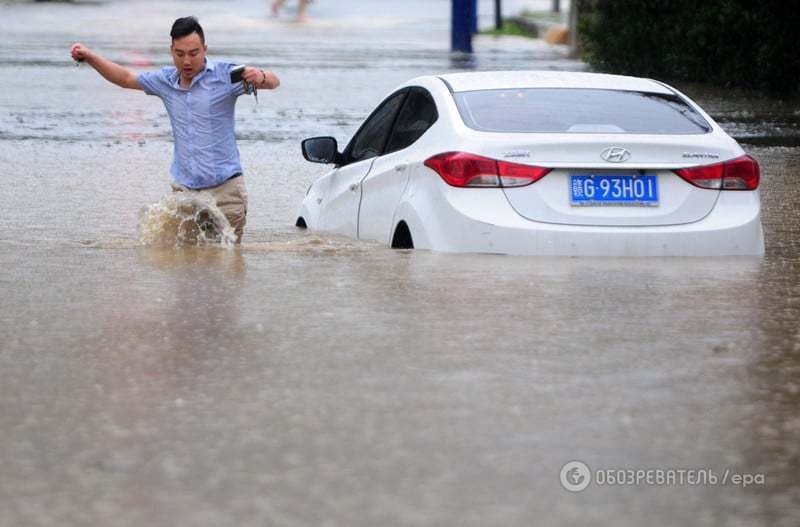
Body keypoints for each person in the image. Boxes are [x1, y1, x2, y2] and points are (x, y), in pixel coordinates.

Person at [70, 16, 280, 243]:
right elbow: (126, 78)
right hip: (185, 192)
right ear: (171, 51)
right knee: (184, 265)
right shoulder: (165, 81)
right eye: (180, 54)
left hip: (226, 190)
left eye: (194, 53)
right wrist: (90, 57)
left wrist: (261, 76)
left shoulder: (226, 75)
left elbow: (274, 82)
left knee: (226, 265)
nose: (187, 61)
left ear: (205, 49)